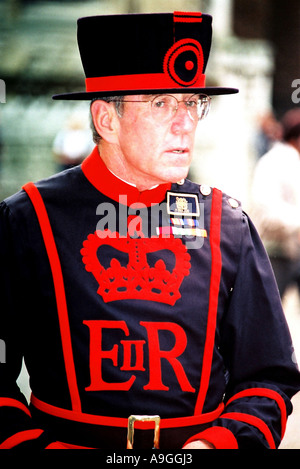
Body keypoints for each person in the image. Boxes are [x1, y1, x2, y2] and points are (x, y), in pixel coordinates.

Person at [0, 11, 299, 450]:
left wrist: (217, 446)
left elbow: (268, 376)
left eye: (193, 102)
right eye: (161, 102)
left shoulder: (227, 223)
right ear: (106, 120)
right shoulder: (29, 219)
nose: (186, 123)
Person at [251, 108, 300, 299]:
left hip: (290, 250)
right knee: (269, 311)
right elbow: (267, 209)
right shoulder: (275, 161)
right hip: (274, 251)